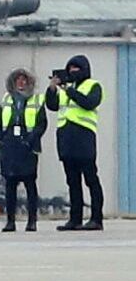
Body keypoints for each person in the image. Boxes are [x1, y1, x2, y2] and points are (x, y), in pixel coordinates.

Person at [45, 55, 105, 231]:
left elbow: (88, 103)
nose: (72, 72)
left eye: (76, 69)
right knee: (72, 182)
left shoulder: (93, 86)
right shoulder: (66, 90)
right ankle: (75, 219)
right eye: (70, 69)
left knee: (91, 179)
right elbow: (53, 106)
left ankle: (96, 219)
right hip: (66, 139)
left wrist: (68, 90)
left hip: (84, 138)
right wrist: (52, 90)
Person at [0, 67, 45, 232]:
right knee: (10, 185)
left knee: (30, 185)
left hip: (28, 147)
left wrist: (31, 141)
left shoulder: (36, 100)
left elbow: (41, 124)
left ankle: (32, 221)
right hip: (10, 146)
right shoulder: (6, 99)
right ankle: (10, 221)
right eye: (18, 80)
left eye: (24, 80)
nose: (21, 83)